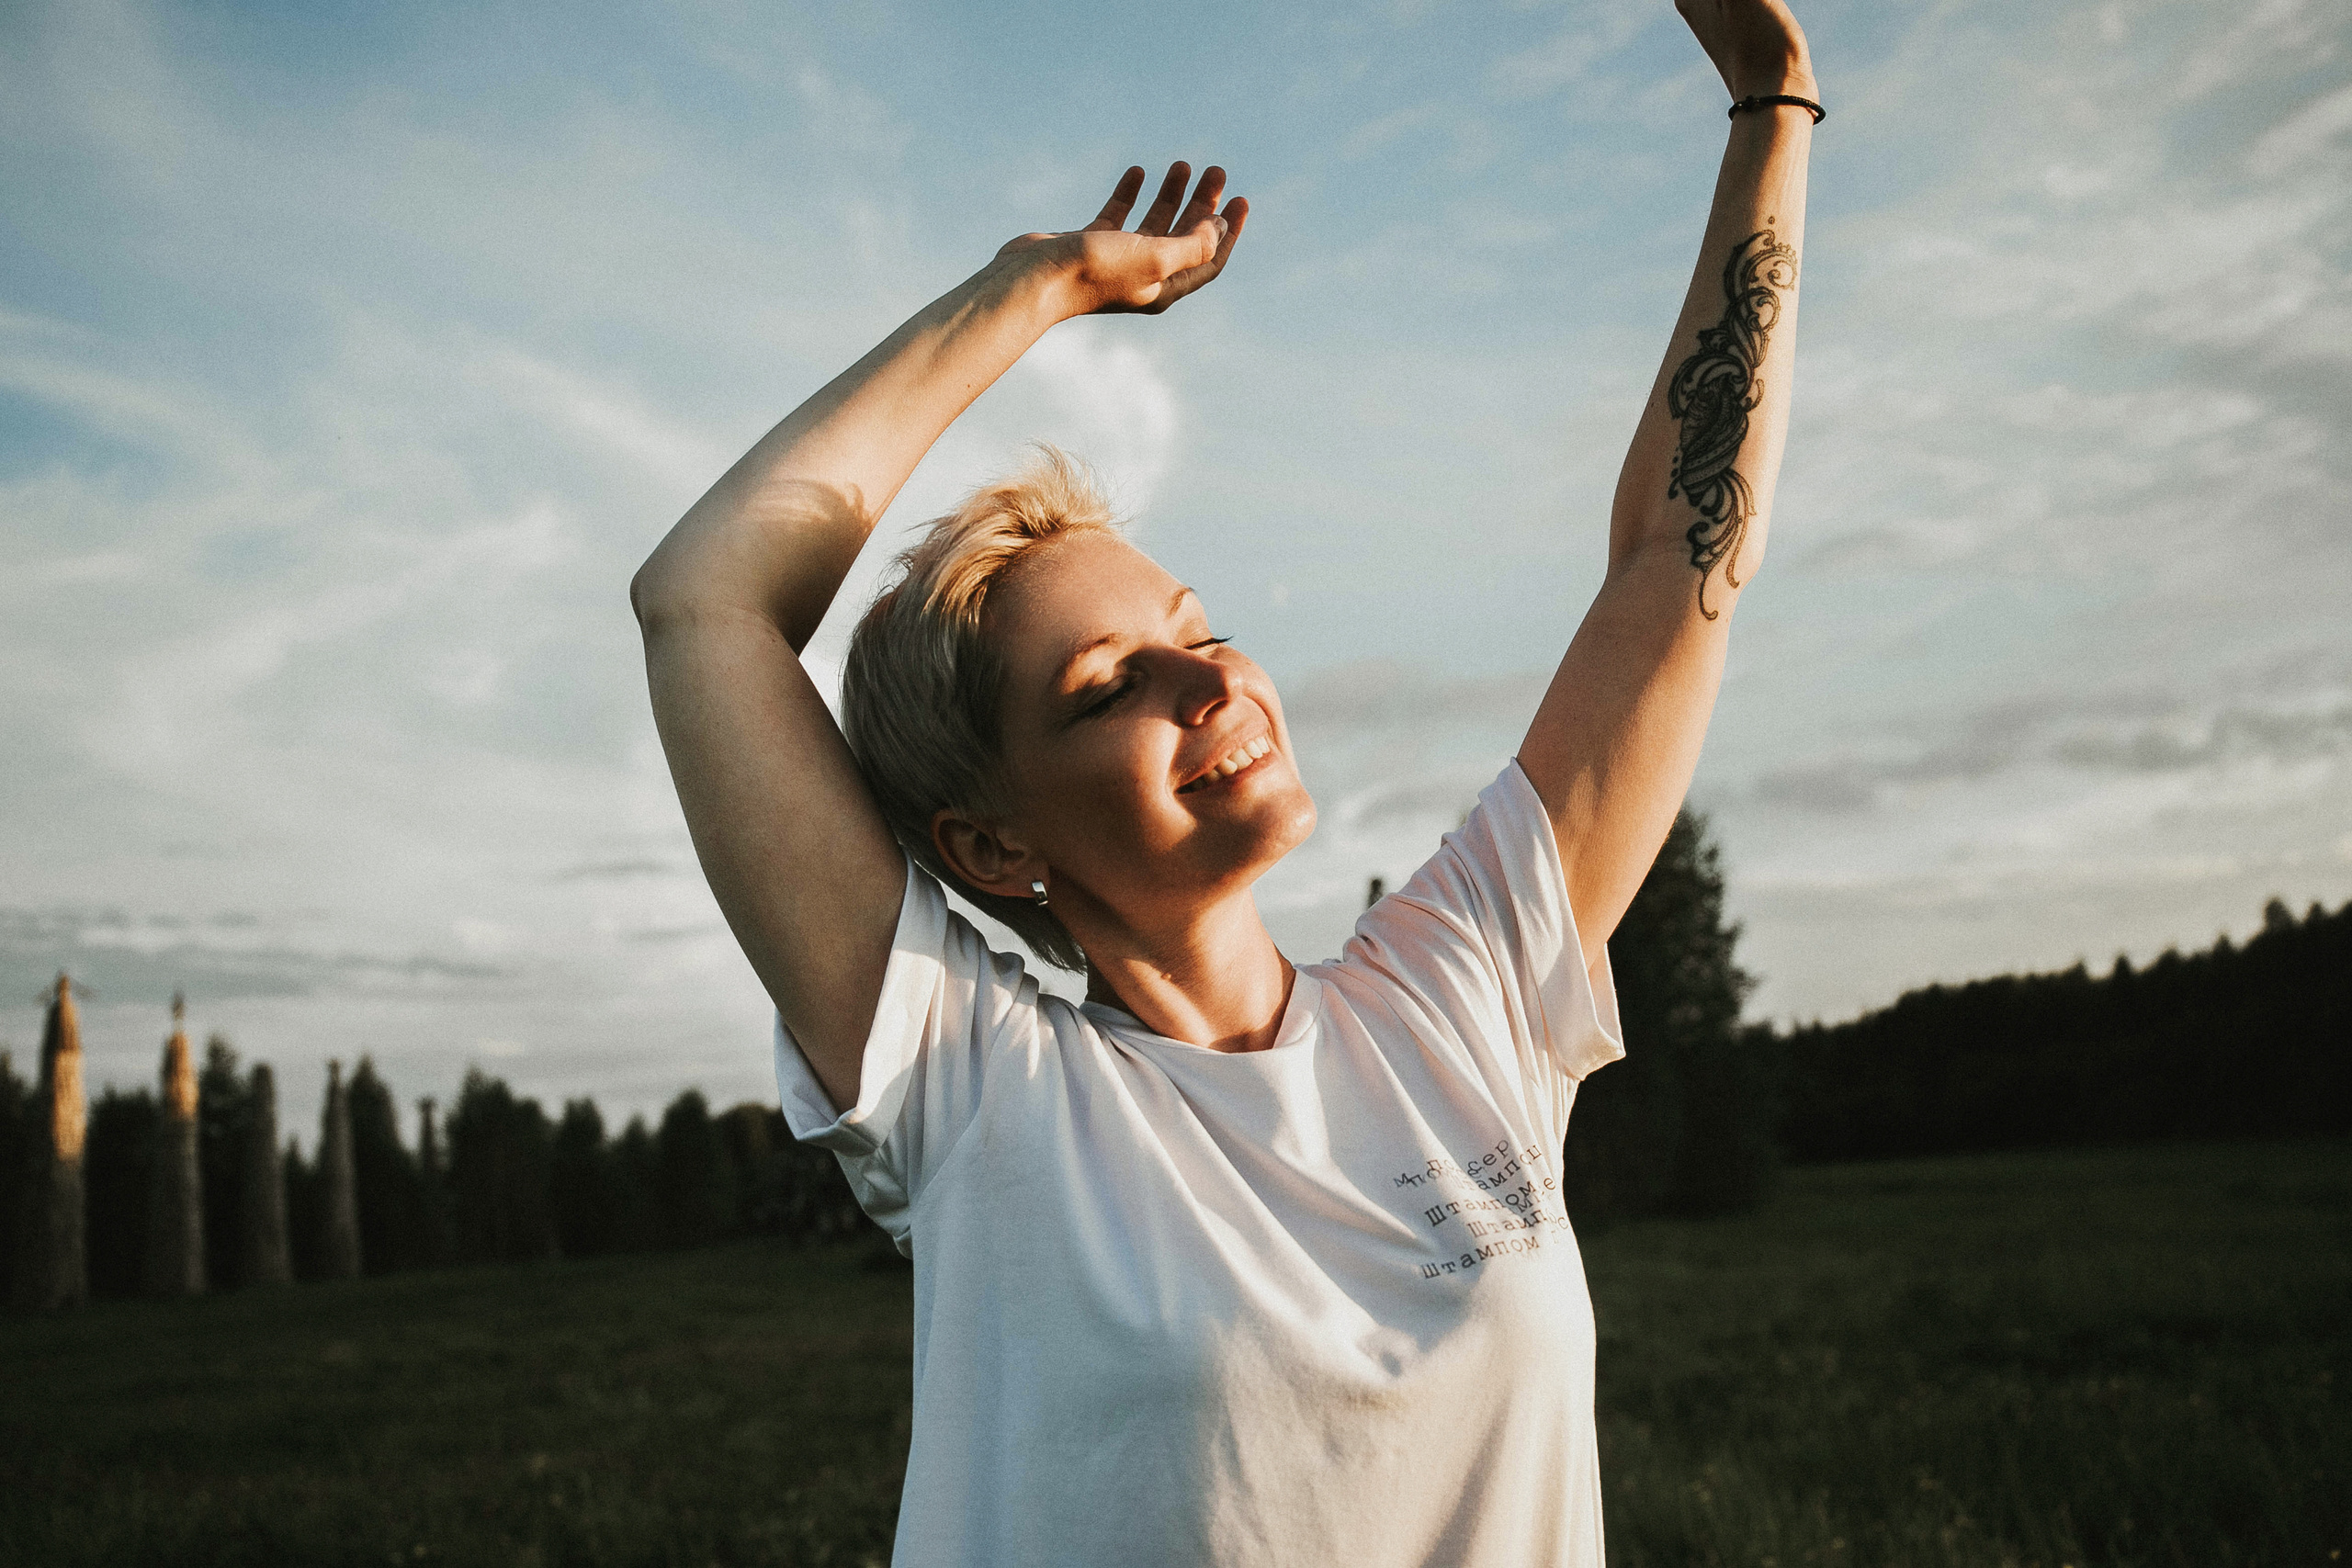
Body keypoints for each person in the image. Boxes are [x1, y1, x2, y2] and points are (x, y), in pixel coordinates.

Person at [631, 0, 1817, 1559]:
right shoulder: (977, 1090)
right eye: (1108, 687)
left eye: (1198, 632)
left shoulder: (1462, 998)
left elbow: (1678, 552)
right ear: (989, 844)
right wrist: (1036, 286)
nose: (1214, 686)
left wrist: (1773, 108)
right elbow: (707, 601)